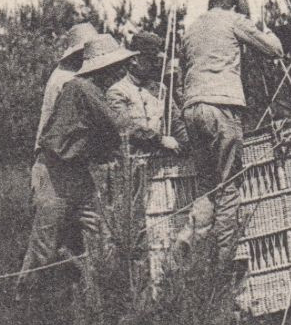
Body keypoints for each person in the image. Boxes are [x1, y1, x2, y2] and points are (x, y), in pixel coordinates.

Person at [23, 34, 157, 274]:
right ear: (104, 68)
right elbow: (119, 125)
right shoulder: (84, 89)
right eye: (117, 67)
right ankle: (24, 298)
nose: (120, 72)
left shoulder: (89, 91)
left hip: (76, 172)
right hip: (55, 173)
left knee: (101, 230)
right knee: (44, 248)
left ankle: (98, 292)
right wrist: (157, 139)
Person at [181, 0, 285, 274]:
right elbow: (274, 50)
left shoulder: (191, 29)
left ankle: (192, 251)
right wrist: (266, 29)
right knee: (229, 185)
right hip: (222, 106)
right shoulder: (233, 20)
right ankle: (223, 263)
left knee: (206, 186)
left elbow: (182, 71)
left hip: (192, 107)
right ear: (233, 4)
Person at [22, 21, 96, 272]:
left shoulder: (70, 77)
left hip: (68, 164)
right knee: (45, 242)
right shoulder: (67, 81)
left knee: (85, 227)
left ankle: (77, 289)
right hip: (53, 166)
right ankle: (27, 296)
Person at [105, 31, 184, 154]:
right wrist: (160, 140)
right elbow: (126, 127)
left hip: (160, 163)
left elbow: (177, 123)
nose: (157, 65)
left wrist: (187, 144)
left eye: (159, 61)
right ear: (134, 60)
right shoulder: (117, 92)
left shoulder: (161, 89)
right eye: (152, 60)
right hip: (131, 163)